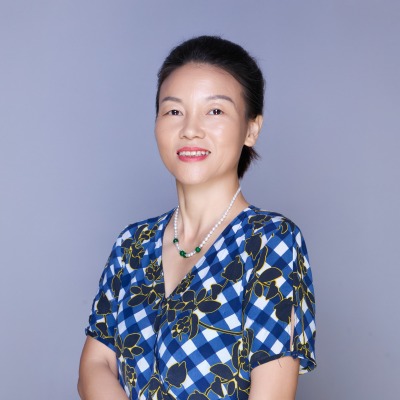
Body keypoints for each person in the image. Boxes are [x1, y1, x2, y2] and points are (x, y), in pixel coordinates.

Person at [78, 35, 316, 400]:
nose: (190, 129)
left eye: (215, 111)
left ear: (251, 129)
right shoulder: (132, 245)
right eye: (174, 111)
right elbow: (95, 365)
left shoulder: (270, 242)